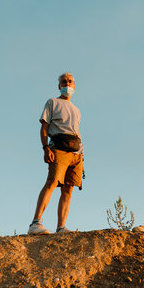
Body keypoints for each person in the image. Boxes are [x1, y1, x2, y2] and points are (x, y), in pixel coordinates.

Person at [28, 72, 84, 235]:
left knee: (68, 189)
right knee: (52, 182)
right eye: (64, 82)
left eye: (70, 81)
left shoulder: (77, 110)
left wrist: (81, 156)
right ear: (59, 86)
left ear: (74, 86)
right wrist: (45, 148)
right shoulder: (52, 102)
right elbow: (44, 127)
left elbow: (77, 132)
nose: (67, 84)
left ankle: (61, 227)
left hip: (76, 152)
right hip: (58, 147)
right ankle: (35, 223)